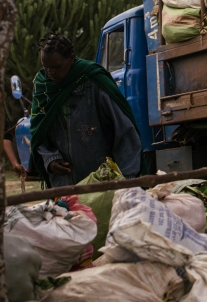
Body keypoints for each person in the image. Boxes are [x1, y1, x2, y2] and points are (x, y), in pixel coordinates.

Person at [30, 32, 141, 188]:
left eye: (56, 67)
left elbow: (124, 130)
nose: (50, 73)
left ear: (71, 58)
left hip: (101, 182)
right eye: (45, 67)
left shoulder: (94, 81)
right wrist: (50, 159)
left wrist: (127, 178)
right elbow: (39, 132)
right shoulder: (43, 88)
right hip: (64, 184)